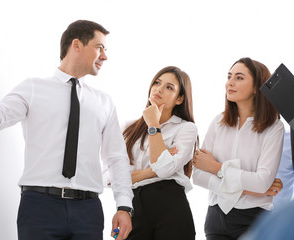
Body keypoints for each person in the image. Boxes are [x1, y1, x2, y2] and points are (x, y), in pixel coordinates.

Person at [0, 20, 133, 240]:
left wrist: (124, 206)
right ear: (76, 45)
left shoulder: (104, 103)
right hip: (40, 208)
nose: (105, 56)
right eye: (100, 48)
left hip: (88, 211)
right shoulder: (33, 88)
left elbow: (116, 158)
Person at [192, 57, 284, 240]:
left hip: (254, 219)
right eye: (229, 76)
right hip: (216, 218)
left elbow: (262, 182)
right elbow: (197, 175)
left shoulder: (274, 127)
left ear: (257, 86)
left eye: (239, 77)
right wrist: (252, 189)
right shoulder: (218, 122)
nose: (230, 83)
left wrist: (216, 168)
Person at [122, 66, 197, 239]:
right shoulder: (127, 128)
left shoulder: (186, 129)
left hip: (170, 207)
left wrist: (153, 124)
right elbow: (111, 177)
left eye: (169, 87)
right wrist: (152, 171)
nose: (159, 89)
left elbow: (163, 170)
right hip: (134, 207)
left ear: (179, 99)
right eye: (157, 82)